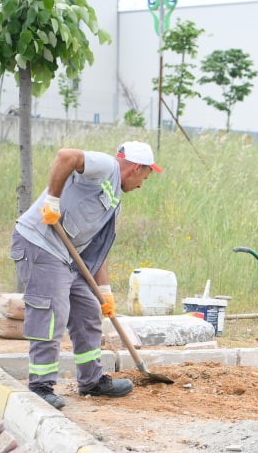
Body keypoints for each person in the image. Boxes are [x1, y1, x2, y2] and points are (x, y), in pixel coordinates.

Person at [9, 141, 161, 409]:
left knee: (88, 312)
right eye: (145, 177)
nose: (141, 185)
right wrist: (52, 200)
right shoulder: (105, 167)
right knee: (52, 313)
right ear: (137, 168)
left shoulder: (115, 201)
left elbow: (95, 250)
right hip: (40, 243)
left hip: (68, 256)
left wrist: (105, 294)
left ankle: (91, 381)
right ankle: (40, 386)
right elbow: (66, 156)